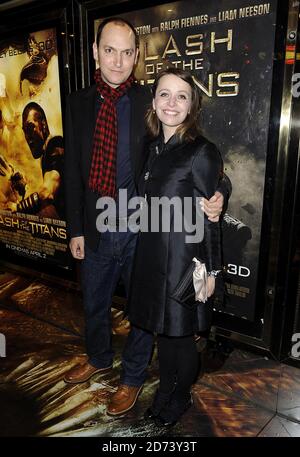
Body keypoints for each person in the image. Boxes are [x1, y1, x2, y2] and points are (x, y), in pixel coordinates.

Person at [64, 17, 230, 416]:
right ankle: (99, 357)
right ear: (94, 52)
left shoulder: (151, 102)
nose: (118, 61)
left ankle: (133, 378)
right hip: (96, 225)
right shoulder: (77, 103)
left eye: (126, 52)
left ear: (137, 56)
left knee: (141, 315)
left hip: (143, 230)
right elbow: (71, 169)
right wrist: (75, 228)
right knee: (94, 303)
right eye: (109, 50)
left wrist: (221, 192)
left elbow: (203, 162)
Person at [128, 67, 223, 426]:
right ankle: (166, 389)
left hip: (187, 262)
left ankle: (179, 396)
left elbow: (210, 215)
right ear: (153, 102)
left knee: (182, 337)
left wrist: (212, 271)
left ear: (191, 105)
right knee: (163, 334)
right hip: (152, 258)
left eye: (181, 96)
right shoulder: (151, 147)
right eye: (164, 94)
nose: (172, 102)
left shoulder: (201, 152)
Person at [21, 102, 64, 218]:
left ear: (43, 124)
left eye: (30, 128)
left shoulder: (55, 144)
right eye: (24, 131)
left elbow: (46, 193)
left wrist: (18, 208)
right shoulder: (46, 153)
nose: (27, 136)